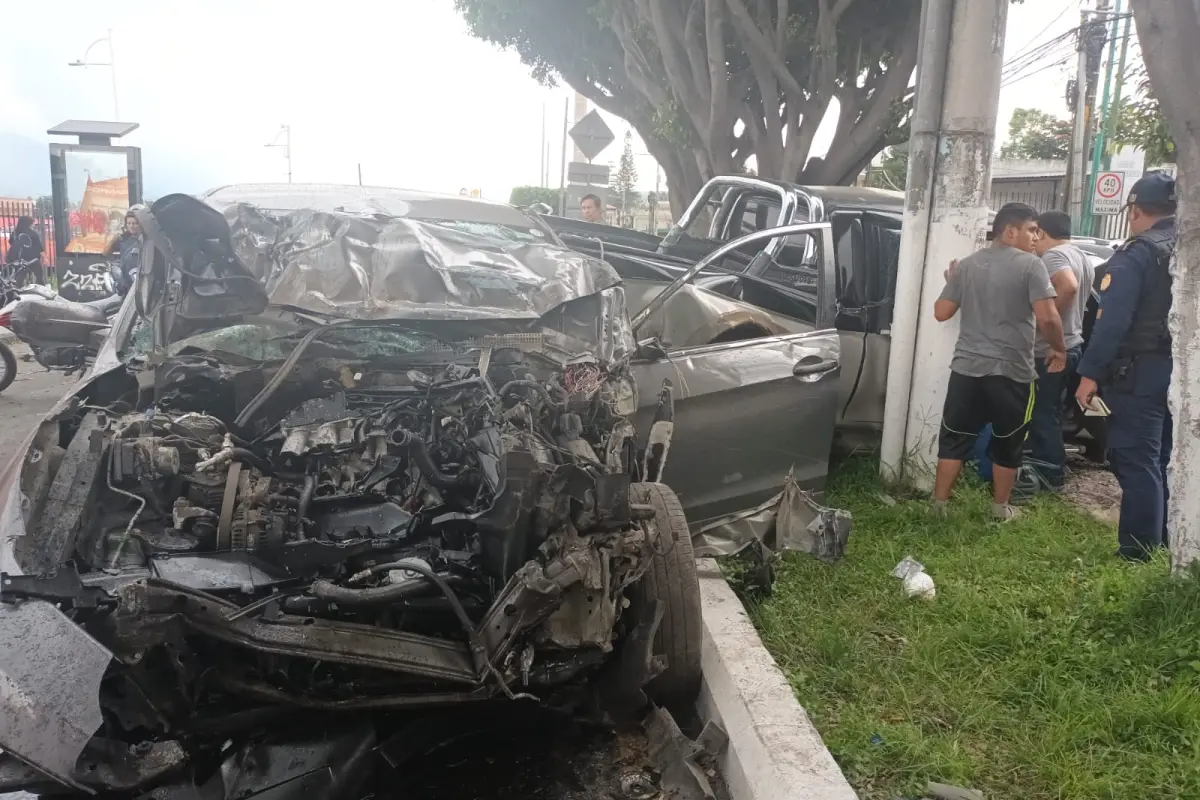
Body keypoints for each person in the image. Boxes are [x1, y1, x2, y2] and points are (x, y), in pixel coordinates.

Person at [932, 203, 1067, 521]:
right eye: (1032, 229)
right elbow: (1048, 317)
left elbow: (941, 312)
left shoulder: (965, 266)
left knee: (954, 438)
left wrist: (952, 281)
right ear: (1010, 231)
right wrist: (1059, 349)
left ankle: (939, 507)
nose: (1036, 237)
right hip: (1012, 372)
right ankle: (999, 508)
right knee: (1009, 441)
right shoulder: (1032, 266)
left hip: (966, 370)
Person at [1075, 171, 1177, 561]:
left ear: (1133, 210)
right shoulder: (1185, 246)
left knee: (1136, 459)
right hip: (1179, 371)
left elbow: (1112, 323)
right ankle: (1167, 541)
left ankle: (1137, 552)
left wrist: (1089, 374)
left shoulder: (1137, 254)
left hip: (1139, 371)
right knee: (1166, 458)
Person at [1028, 210, 1094, 488]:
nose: (1032, 240)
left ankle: (1050, 474)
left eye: (1034, 233)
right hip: (1074, 344)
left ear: (1042, 232)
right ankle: (1051, 467)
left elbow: (1068, 286)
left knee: (1043, 413)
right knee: (1051, 411)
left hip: (1053, 348)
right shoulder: (1080, 255)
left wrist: (1047, 321)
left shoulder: (1053, 256)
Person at [106, 210, 142, 295]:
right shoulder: (123, 238)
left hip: (136, 279)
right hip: (125, 279)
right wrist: (113, 240)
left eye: (134, 223)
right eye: (129, 223)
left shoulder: (144, 239)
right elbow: (106, 252)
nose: (131, 226)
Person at [5, 215, 46, 285]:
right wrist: (45, 258)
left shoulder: (15, 233)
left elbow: (11, 242)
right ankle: (40, 291)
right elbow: (39, 247)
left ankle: (16, 292)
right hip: (33, 260)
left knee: (19, 279)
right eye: (32, 223)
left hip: (20, 260)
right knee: (39, 276)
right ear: (28, 223)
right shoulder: (33, 234)